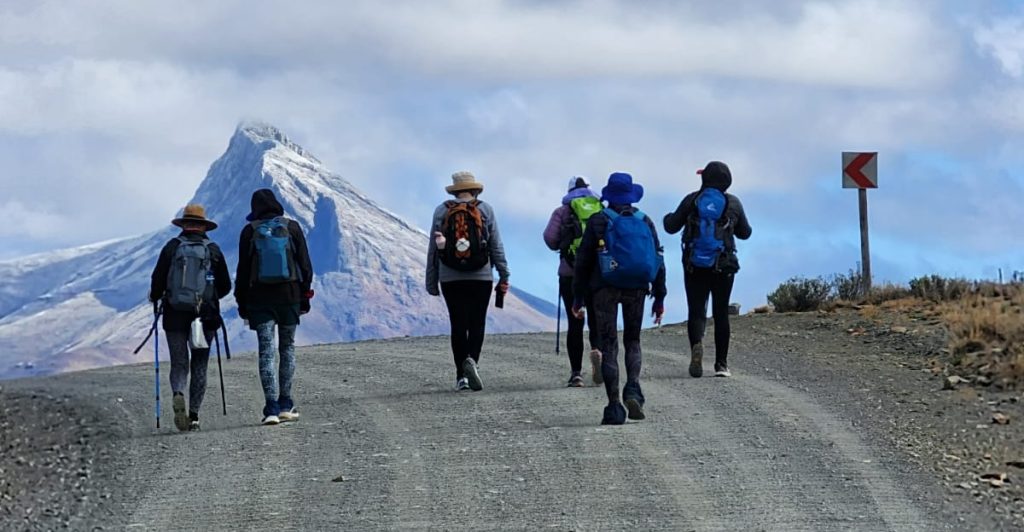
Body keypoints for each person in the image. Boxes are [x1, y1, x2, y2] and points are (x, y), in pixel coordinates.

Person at [573, 172, 666, 425]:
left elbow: (583, 262)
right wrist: (659, 297)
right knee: (633, 340)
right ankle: (633, 388)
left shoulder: (598, 220)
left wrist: (578, 297)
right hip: (637, 287)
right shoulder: (645, 221)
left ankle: (614, 406)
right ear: (631, 195)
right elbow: (657, 258)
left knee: (609, 345)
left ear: (609, 195)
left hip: (604, 288)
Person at [663, 161, 752, 378]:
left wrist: (668, 216)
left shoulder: (693, 200)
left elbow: (671, 226)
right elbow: (745, 233)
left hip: (694, 265)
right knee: (721, 313)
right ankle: (721, 365)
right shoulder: (733, 202)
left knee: (696, 310)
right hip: (724, 265)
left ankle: (697, 346)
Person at [149, 204, 232, 432]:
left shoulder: (172, 247)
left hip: (175, 314)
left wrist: (157, 296)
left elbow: (157, 281)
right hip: (204, 317)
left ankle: (178, 392)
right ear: (204, 226)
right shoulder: (213, 250)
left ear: (184, 225)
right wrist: (209, 299)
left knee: (179, 362)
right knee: (199, 365)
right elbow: (225, 285)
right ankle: (194, 417)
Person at [426, 171, 510, 392]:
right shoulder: (485, 209)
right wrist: (504, 274)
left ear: (454, 190)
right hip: (480, 276)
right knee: (477, 322)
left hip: (450, 277)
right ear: (474, 190)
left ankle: (460, 377)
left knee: (458, 324)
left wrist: (432, 280)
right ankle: (472, 361)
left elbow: (433, 249)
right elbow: (496, 246)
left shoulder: (442, 210)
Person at [235, 189, 314, 425]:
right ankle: (286, 404)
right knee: (287, 348)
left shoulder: (249, 231)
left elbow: (242, 272)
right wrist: (304, 296)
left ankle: (270, 408)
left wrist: (242, 304)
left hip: (259, 299)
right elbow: (306, 266)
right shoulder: (292, 228)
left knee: (266, 350)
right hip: (289, 297)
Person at [543, 176, 602, 387]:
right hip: (597, 274)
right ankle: (598, 353)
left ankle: (576, 374)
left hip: (570, 273)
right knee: (596, 319)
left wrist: (564, 244)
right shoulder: (599, 209)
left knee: (575, 322)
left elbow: (550, 239)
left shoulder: (562, 211)